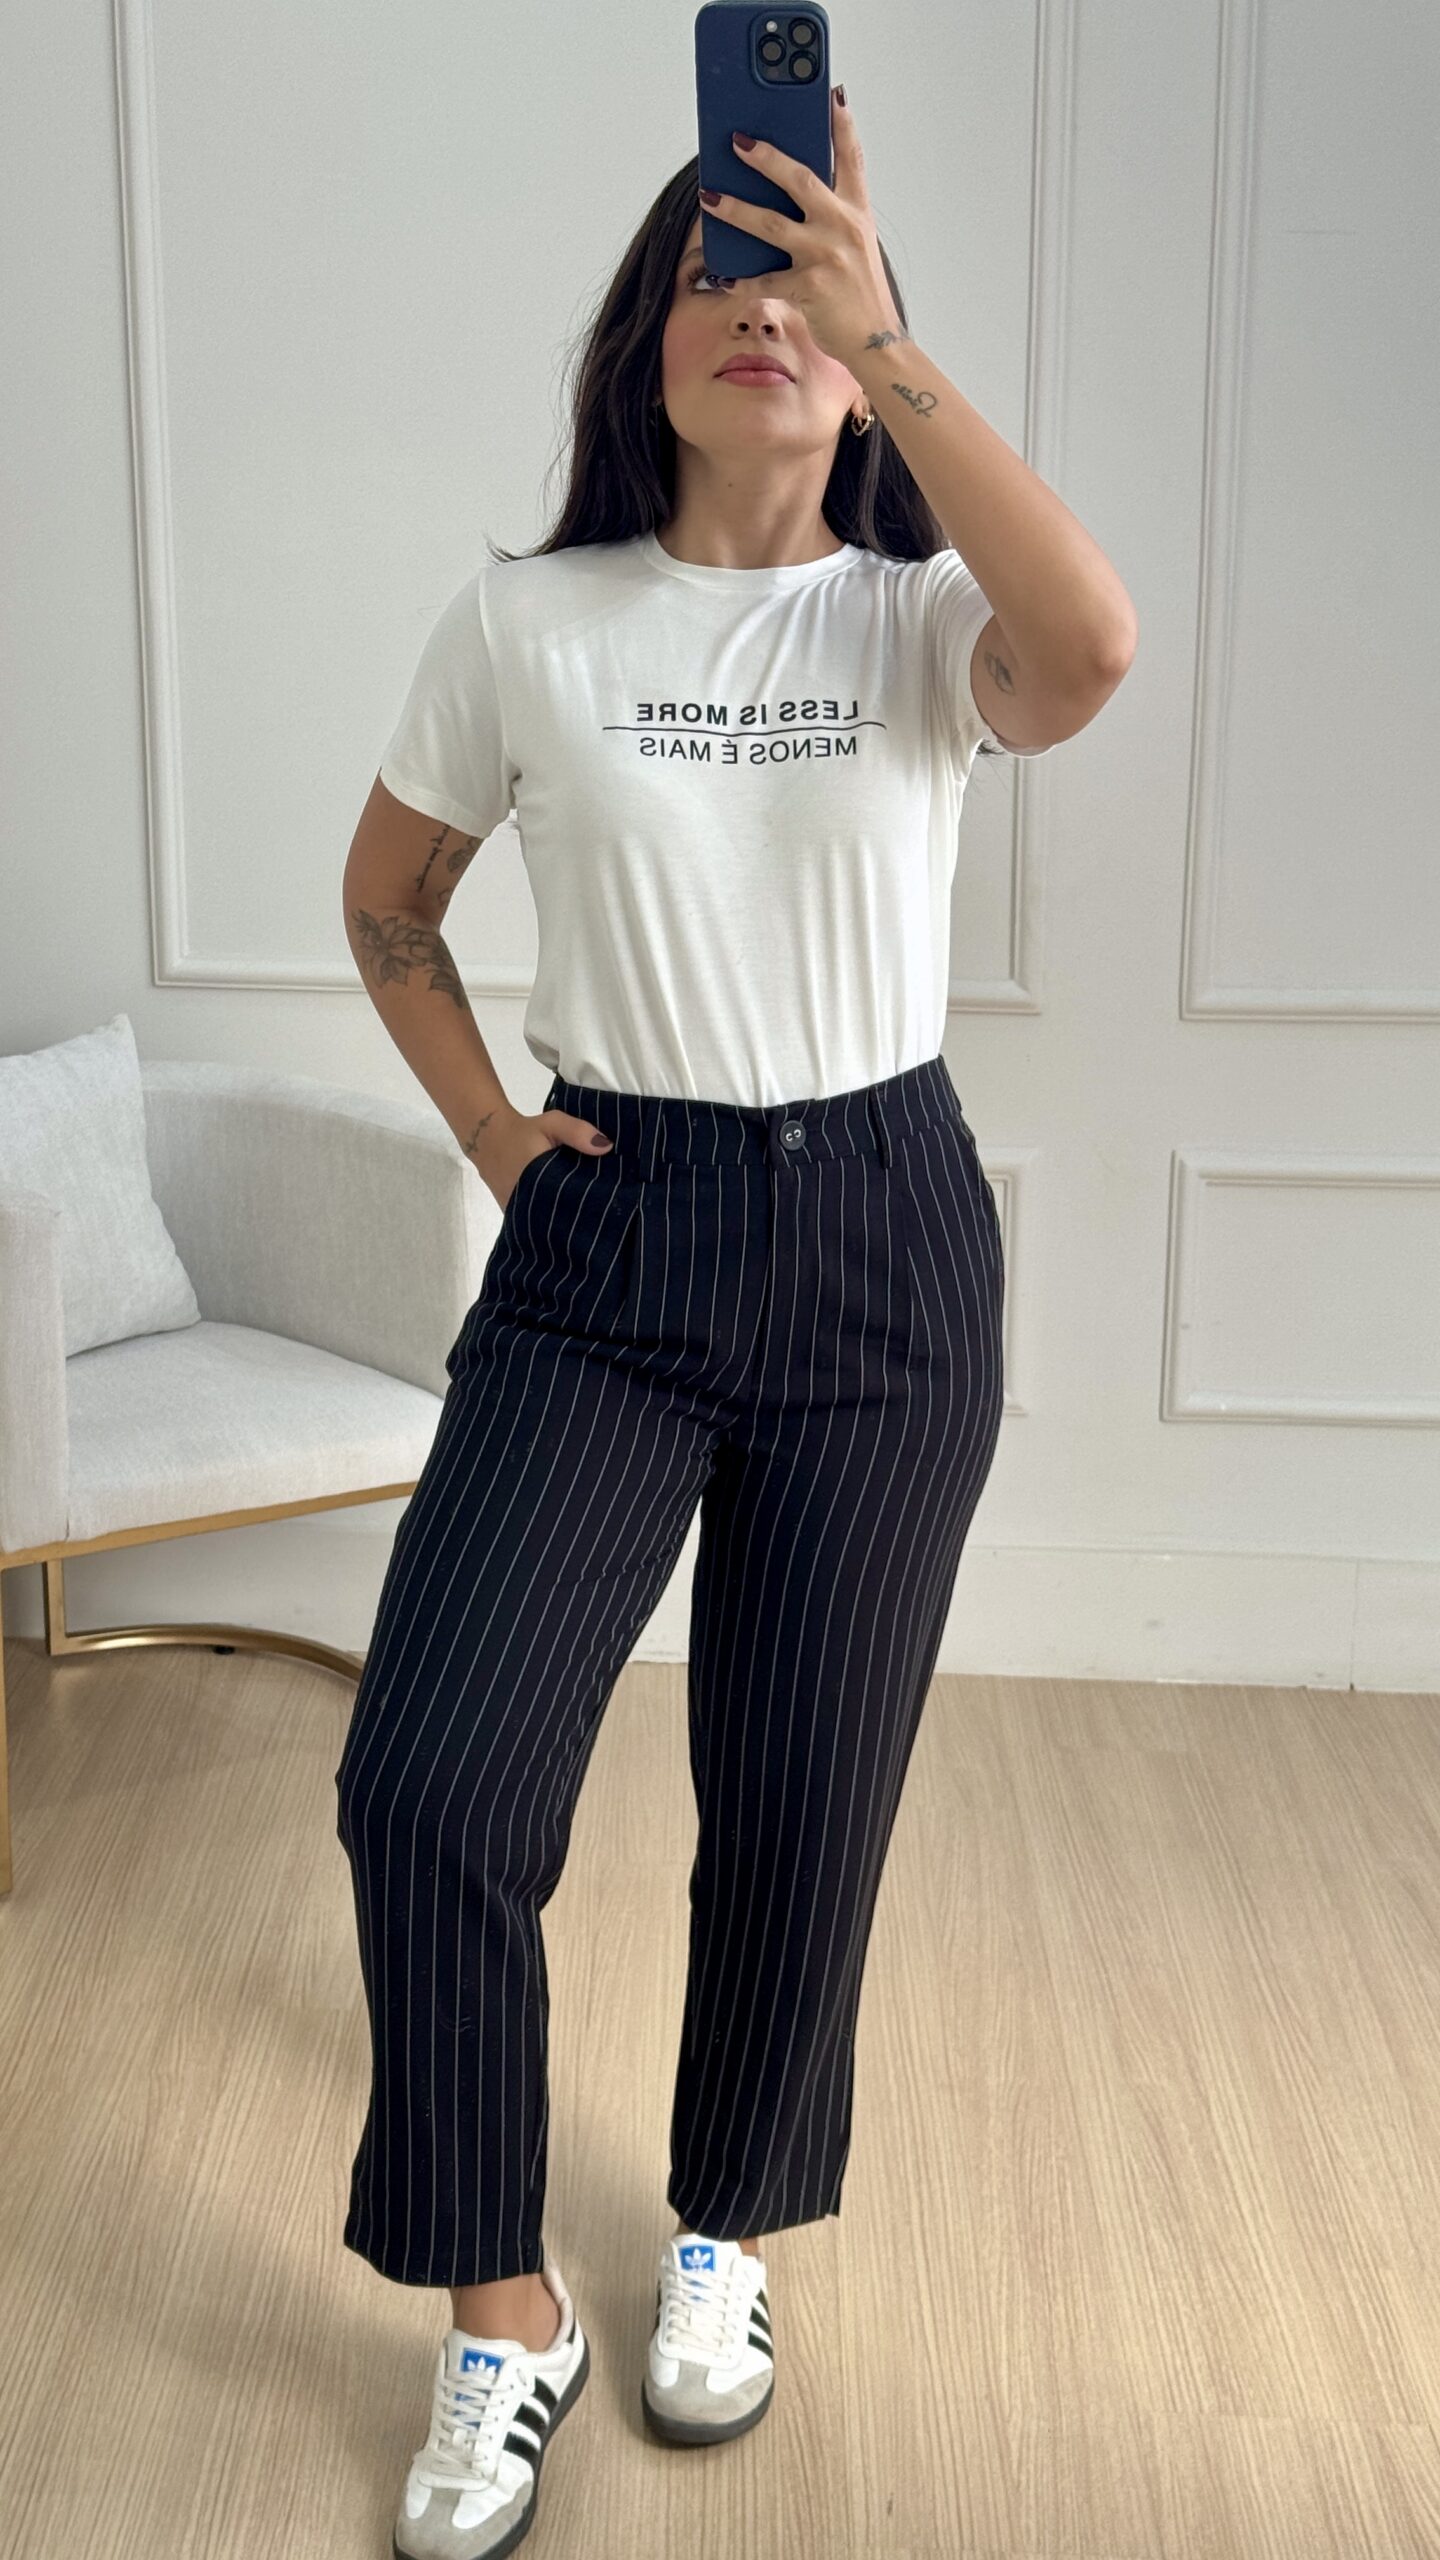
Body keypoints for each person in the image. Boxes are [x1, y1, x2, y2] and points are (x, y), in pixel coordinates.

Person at [335, 94, 1136, 2560]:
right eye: (716, 271)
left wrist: (898, 349)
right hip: (614, 1246)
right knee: (433, 1783)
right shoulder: (531, 624)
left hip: (883, 1243)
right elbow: (386, 903)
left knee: (802, 1791)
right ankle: (501, 2308)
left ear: (864, 339)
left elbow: (1095, 647)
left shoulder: (916, 621)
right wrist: (498, 1137)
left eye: (805, 275)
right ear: (644, 349)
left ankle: (727, 2228)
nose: (762, 308)